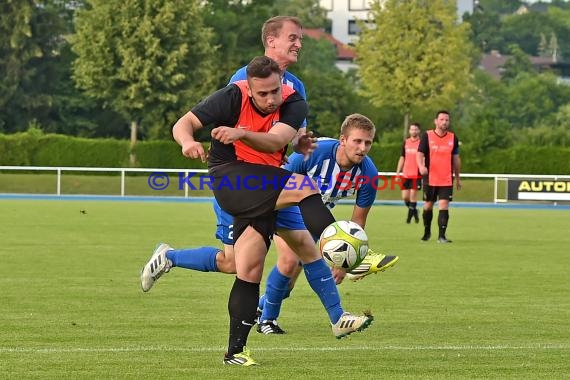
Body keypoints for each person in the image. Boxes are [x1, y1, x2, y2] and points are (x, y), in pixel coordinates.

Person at [141, 16, 391, 333]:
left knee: (306, 247)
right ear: (271, 41)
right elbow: (231, 129)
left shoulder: (296, 88)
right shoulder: (243, 81)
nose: (299, 43)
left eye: (300, 38)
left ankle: (338, 318)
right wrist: (190, 141)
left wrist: (300, 142)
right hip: (241, 184)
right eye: (293, 38)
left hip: (274, 183)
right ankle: (171, 258)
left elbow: (287, 139)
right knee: (233, 264)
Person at [255, 114, 399, 335]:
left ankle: (259, 307)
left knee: (288, 285)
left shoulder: (368, 174)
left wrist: (342, 263)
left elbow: (358, 221)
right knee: (289, 260)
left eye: (368, 142)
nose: (362, 148)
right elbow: (277, 179)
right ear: (343, 140)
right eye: (357, 141)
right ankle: (267, 321)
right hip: (283, 208)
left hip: (315, 221)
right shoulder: (314, 152)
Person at [416, 110, 461, 243]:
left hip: (446, 179)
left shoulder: (453, 138)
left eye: (447, 120)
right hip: (430, 178)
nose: (444, 122)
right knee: (428, 206)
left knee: (444, 205)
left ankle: (442, 236)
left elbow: (456, 159)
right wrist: (421, 166)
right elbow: (419, 154)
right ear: (436, 121)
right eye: (441, 119)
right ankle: (427, 231)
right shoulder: (427, 136)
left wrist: (458, 178)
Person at [396, 123, 422, 224]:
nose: (413, 131)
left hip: (416, 175)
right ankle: (415, 211)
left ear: (418, 131)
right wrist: (398, 173)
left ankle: (409, 219)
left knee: (412, 197)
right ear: (409, 131)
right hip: (406, 174)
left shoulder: (421, 143)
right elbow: (402, 157)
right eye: (412, 129)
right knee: (405, 197)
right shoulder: (405, 142)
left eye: (415, 129)